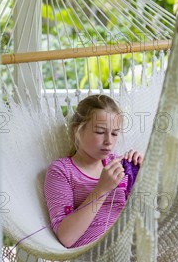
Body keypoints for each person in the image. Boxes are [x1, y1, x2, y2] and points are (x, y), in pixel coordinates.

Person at [44, 94, 143, 248]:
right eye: (99, 132)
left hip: (133, 246)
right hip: (96, 256)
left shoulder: (119, 165)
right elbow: (66, 237)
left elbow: (143, 213)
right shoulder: (61, 171)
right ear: (77, 130)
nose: (109, 141)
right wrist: (102, 189)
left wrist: (142, 176)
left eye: (115, 133)